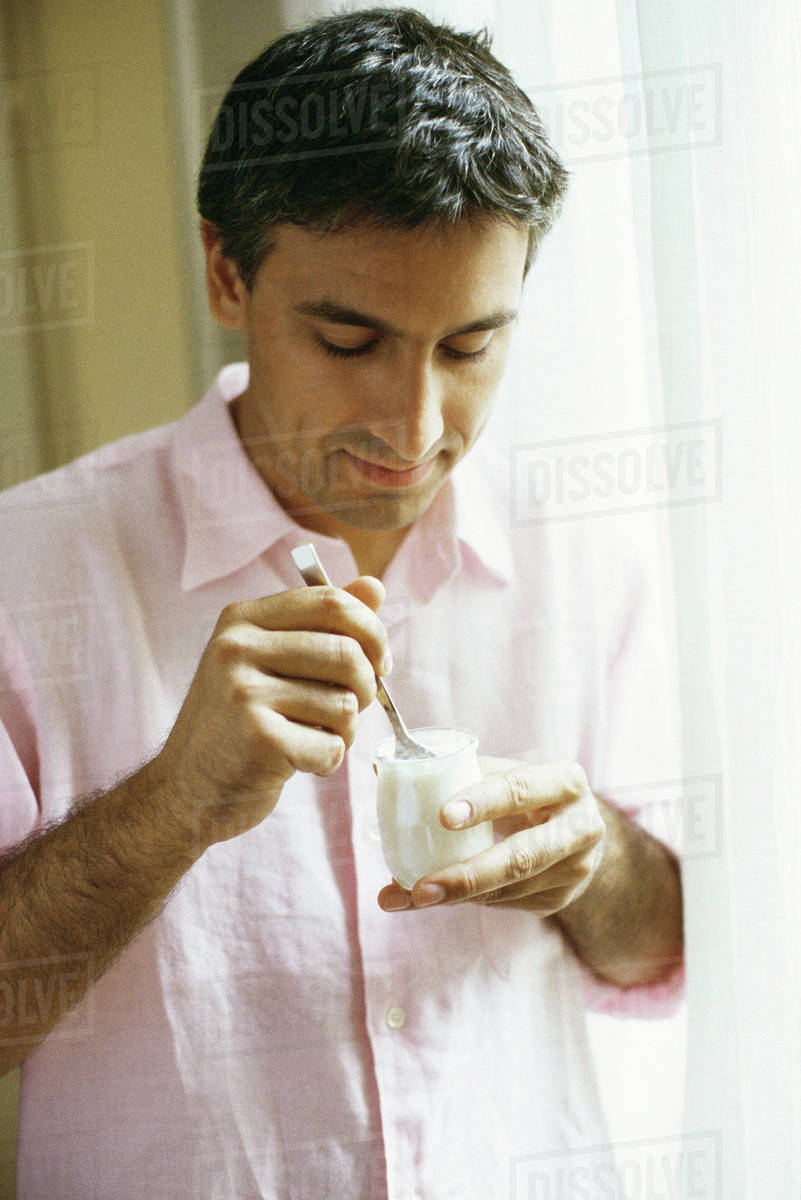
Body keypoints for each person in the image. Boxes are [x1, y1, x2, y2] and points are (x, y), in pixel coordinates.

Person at [0, 8, 683, 1197]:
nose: (415, 430)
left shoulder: (595, 560)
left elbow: (686, 941)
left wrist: (598, 867)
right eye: (351, 338)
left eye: (471, 348)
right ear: (226, 269)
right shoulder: (26, 572)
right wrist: (176, 805)